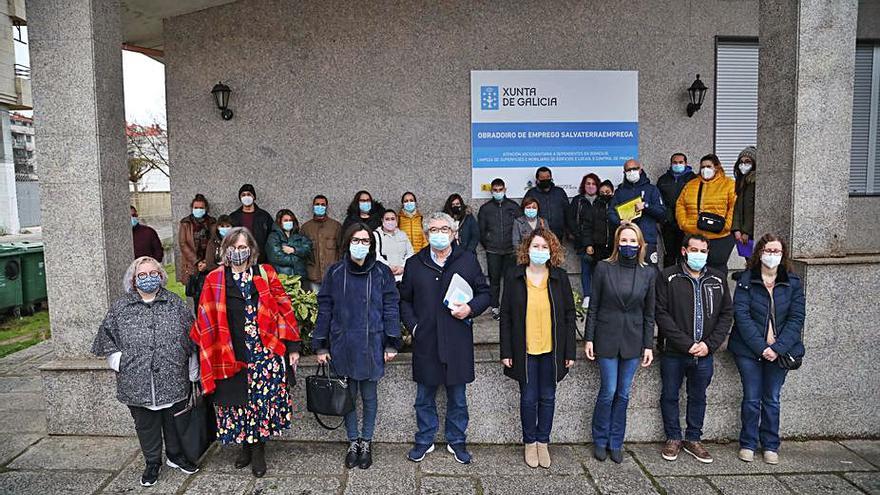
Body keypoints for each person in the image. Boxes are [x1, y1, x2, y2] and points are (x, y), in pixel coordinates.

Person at [190, 227, 300, 478]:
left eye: (243, 247)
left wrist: (292, 347)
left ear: (251, 250)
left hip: (265, 353)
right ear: (225, 251)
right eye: (233, 247)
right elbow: (205, 319)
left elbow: (284, 310)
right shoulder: (214, 279)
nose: (238, 252)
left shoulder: (266, 273)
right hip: (231, 353)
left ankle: (259, 449)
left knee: (261, 402)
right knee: (237, 403)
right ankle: (245, 446)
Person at [91, 257, 199, 487]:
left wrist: (192, 367)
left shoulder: (175, 303)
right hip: (136, 377)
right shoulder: (121, 308)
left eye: (153, 273)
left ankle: (175, 455)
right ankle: (152, 462)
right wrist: (119, 361)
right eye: (142, 274)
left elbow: (193, 335)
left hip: (172, 374)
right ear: (133, 279)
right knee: (146, 422)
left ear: (161, 276)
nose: (148, 278)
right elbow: (106, 337)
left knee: (173, 419)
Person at [399, 212, 491, 465]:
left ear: (453, 233)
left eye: (444, 229)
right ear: (427, 234)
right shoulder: (415, 263)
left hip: (457, 338)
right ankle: (425, 439)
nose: (439, 234)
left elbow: (485, 293)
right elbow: (404, 300)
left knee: (458, 398)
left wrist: (470, 309)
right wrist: (414, 327)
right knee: (424, 397)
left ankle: (457, 440)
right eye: (434, 230)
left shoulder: (468, 260)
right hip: (426, 339)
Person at [312, 223, 401, 470]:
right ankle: (353, 441)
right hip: (343, 343)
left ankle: (367, 441)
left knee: (369, 396)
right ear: (347, 242)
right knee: (348, 396)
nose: (360, 245)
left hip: (372, 342)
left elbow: (391, 306)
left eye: (365, 241)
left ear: (372, 245)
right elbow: (325, 308)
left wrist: (392, 342)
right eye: (356, 240)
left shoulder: (382, 272)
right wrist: (321, 345)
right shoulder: (335, 272)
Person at [499, 228, 576, 469]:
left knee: (548, 397)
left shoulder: (560, 277)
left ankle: (543, 441)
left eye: (544, 247)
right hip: (525, 349)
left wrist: (570, 352)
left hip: (552, 350)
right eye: (535, 246)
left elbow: (569, 315)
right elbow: (506, 316)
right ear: (526, 249)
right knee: (528, 398)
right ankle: (529, 442)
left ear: (551, 251)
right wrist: (506, 351)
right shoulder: (514, 276)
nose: (539, 251)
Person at [655, 234, 733, 464]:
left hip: (704, 353)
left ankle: (693, 438)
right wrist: (686, 344)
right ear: (683, 251)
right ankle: (673, 437)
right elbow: (661, 313)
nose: (698, 254)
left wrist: (709, 345)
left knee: (698, 396)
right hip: (674, 352)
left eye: (703, 251)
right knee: (669, 395)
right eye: (694, 249)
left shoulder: (718, 279)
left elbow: (726, 314)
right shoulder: (668, 276)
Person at [728, 233, 805, 465]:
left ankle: (770, 445)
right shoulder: (746, 280)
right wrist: (762, 347)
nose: (772, 255)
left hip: (780, 352)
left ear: (784, 255)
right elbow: (741, 315)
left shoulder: (792, 283)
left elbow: (797, 317)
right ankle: (748, 443)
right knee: (751, 398)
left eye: (777, 251)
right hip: (749, 350)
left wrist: (777, 348)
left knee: (772, 398)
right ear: (759, 252)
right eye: (768, 251)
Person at [585, 223, 656, 464]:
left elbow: (649, 312)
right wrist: (589, 338)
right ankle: (600, 440)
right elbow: (593, 306)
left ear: (640, 244)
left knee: (623, 394)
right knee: (609, 391)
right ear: (617, 243)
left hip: (633, 341)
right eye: (623, 240)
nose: (628, 245)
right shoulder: (604, 268)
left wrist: (648, 345)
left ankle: (616, 442)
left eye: (632, 241)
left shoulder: (648, 273)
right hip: (606, 337)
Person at [675, 154, 737, 275]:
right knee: (692, 269)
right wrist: (684, 224)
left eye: (708, 166)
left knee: (716, 271)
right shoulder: (691, 185)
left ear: (717, 167)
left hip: (719, 237)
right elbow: (680, 204)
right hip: (694, 234)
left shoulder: (729, 184)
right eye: (702, 167)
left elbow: (734, 206)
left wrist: (727, 225)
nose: (705, 169)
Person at [607, 160, 666, 265]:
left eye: (634, 169)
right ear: (624, 172)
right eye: (628, 170)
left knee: (650, 271)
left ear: (640, 170)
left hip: (647, 239)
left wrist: (646, 206)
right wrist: (620, 222)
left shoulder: (652, 189)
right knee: (626, 271)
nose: (632, 172)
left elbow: (662, 212)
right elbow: (611, 213)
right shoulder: (620, 191)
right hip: (627, 241)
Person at [477, 178, 520, 320]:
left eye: (500, 190)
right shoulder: (485, 209)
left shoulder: (513, 206)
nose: (498, 192)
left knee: (510, 280)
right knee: (494, 281)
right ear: (491, 191)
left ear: (505, 190)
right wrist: (488, 244)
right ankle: (495, 307)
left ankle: (508, 307)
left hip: (511, 250)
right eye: (495, 190)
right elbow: (481, 231)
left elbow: (519, 226)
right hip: (493, 251)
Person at [186, 214, 233, 311]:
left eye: (228, 226)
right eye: (222, 226)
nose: (225, 229)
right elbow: (210, 263)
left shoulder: (236, 241)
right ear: (218, 227)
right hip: (217, 280)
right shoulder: (213, 242)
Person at [570, 173, 604, 307]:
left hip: (600, 242)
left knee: (599, 271)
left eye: (594, 184)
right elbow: (571, 220)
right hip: (582, 242)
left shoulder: (602, 200)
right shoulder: (578, 201)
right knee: (585, 270)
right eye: (588, 183)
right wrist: (581, 238)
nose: (591, 186)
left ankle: (599, 297)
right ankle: (587, 296)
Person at [657, 153, 697, 268]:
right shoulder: (663, 179)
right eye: (675, 162)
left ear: (686, 163)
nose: (677, 165)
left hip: (686, 223)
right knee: (669, 255)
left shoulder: (693, 179)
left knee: (684, 254)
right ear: (671, 164)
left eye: (680, 162)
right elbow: (659, 200)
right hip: (668, 223)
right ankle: (668, 280)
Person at [301, 195, 342, 293]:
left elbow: (341, 250)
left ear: (326, 207)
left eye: (323, 204)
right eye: (317, 204)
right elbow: (302, 253)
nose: (320, 207)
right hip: (313, 277)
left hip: (332, 276)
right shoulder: (306, 228)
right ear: (313, 206)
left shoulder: (336, 226)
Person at [177, 194, 216, 289]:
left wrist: (207, 262)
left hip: (209, 263)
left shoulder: (212, 222)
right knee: (195, 295)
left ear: (206, 208)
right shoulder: (185, 223)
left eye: (201, 208)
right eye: (196, 207)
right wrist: (197, 261)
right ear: (192, 208)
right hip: (192, 264)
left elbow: (215, 242)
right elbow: (183, 244)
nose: (198, 210)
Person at [229, 184, 274, 263]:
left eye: (249, 194)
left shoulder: (264, 216)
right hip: (239, 257)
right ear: (240, 198)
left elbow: (271, 236)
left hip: (260, 257)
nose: (246, 197)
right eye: (243, 195)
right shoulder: (233, 217)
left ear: (254, 197)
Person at [524, 166, 570, 240]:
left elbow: (568, 212)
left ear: (551, 178)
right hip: (537, 235)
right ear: (538, 179)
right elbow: (524, 212)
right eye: (542, 177)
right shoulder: (531, 193)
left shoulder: (559, 192)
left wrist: (568, 231)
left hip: (558, 235)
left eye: (547, 177)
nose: (545, 179)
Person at [265, 209, 313, 279]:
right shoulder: (273, 237)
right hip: (282, 278)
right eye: (286, 220)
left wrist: (294, 250)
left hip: (299, 278)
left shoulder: (298, 236)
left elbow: (308, 248)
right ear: (280, 222)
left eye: (290, 220)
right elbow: (277, 257)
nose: (288, 222)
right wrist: (298, 259)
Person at [373, 209, 414, 282]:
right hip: (384, 277)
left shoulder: (402, 234)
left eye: (392, 219)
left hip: (403, 277)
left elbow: (410, 253)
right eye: (387, 219)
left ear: (396, 220)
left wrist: (403, 267)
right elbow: (376, 255)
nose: (390, 221)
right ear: (382, 220)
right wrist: (388, 267)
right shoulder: (376, 235)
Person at [732, 147, 757, 261]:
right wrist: (736, 229)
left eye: (748, 162)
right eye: (741, 162)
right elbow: (737, 207)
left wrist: (746, 231)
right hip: (742, 232)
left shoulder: (755, 183)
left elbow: (753, 209)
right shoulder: (742, 182)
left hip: (751, 232)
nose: (744, 165)